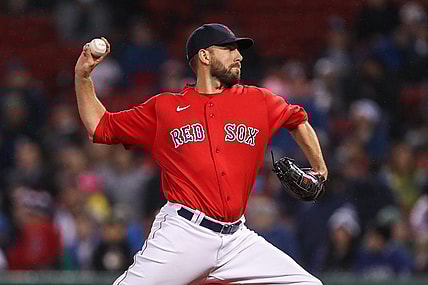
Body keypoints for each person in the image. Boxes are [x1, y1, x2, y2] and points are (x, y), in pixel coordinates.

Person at [74, 23, 328, 285]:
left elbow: (298, 120)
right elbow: (99, 126)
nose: (238, 56)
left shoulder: (257, 101)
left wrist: (320, 169)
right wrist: (83, 78)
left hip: (236, 238)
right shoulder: (165, 109)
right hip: (184, 232)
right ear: (205, 56)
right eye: (229, 49)